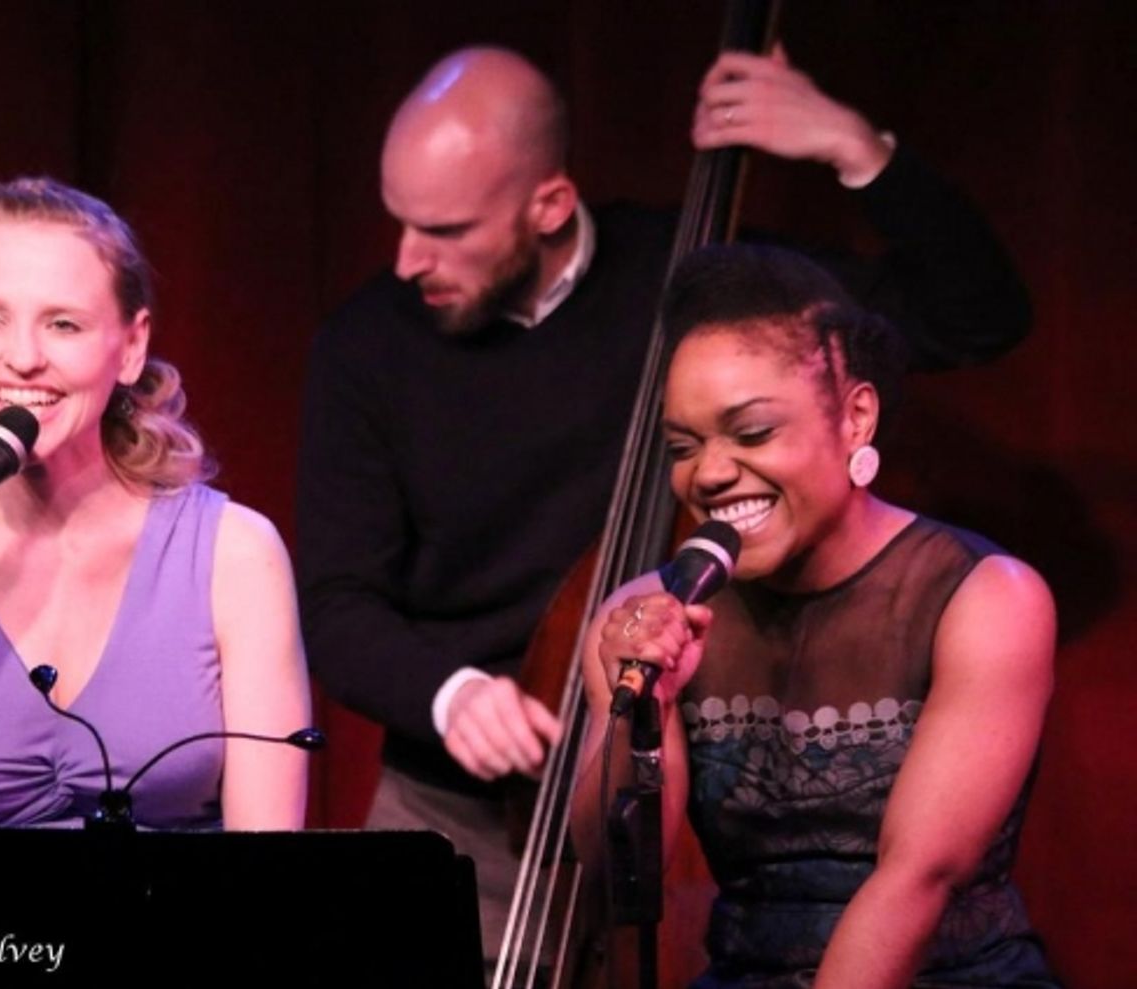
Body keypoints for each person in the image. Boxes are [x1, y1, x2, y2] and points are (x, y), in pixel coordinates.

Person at [296, 45, 1031, 954]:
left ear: (551, 205)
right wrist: (450, 696)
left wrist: (852, 146)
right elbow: (333, 602)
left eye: (444, 230)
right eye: (399, 222)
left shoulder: (699, 282)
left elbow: (976, 314)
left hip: (690, 810)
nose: (408, 260)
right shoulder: (367, 345)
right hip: (460, 808)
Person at [572, 243, 1058, 987]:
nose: (709, 472)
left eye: (753, 432)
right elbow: (609, 879)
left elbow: (915, 881)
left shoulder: (986, 596)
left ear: (856, 416)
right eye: (683, 445)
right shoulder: (648, 613)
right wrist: (641, 715)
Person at [0, 177, 310, 830]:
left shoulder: (237, 557)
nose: (21, 358)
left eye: (62, 324)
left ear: (131, 346)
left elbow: (268, 890)